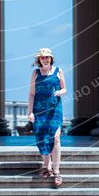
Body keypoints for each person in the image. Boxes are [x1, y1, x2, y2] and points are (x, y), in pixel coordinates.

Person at [28, 47, 66, 187]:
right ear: (39, 60)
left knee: (55, 138)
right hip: (39, 109)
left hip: (54, 109)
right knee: (41, 137)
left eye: (47, 57)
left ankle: (56, 171)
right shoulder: (35, 73)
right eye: (42, 57)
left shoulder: (58, 71)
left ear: (51, 58)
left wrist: (59, 92)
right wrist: (30, 112)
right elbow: (32, 94)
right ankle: (47, 166)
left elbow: (64, 88)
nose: (45, 59)